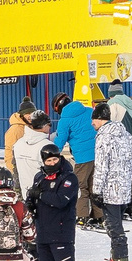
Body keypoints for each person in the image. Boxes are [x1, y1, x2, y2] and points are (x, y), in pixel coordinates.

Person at [27, 143, 104, 261]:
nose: (52, 163)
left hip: (62, 233)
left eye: (55, 159)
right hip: (43, 233)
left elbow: (61, 200)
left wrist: (41, 195)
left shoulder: (69, 177)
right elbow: (33, 196)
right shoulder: (40, 177)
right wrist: (30, 201)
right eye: (48, 160)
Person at [91, 100, 132, 261]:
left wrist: (96, 191)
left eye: (94, 119)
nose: (92, 123)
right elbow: (131, 162)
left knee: (113, 227)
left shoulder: (104, 137)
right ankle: (116, 257)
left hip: (110, 190)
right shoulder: (124, 134)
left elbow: (101, 166)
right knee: (117, 225)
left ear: (100, 119)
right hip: (123, 189)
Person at [52, 90, 99, 227]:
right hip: (98, 154)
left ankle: (81, 216)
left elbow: (59, 141)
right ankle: (99, 216)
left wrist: (52, 155)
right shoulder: (89, 111)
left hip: (83, 158)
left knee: (80, 187)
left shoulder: (65, 120)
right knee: (95, 186)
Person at [9, 100, 50, 195]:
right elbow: (10, 154)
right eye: (27, 113)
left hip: (28, 190)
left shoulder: (25, 134)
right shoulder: (16, 130)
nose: (29, 116)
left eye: (31, 113)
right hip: (36, 192)